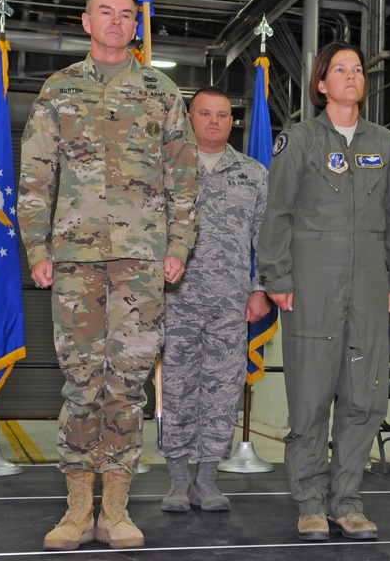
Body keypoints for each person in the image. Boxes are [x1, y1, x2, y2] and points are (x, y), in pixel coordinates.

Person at [17, 0, 198, 551]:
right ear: (87, 21)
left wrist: (178, 247)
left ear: (136, 25)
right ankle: (76, 511)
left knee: (127, 385)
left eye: (126, 14)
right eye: (106, 12)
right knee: (80, 383)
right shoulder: (58, 90)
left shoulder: (161, 91)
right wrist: (37, 249)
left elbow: (184, 178)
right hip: (74, 262)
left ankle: (115, 511)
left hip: (142, 262)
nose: (117, 22)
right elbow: (36, 176)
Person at [256, 41, 390, 542]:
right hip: (312, 285)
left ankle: (346, 500)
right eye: (340, 70)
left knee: (364, 399)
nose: (352, 76)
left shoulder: (386, 145)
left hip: (369, 286)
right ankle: (309, 501)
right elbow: (277, 213)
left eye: (358, 69)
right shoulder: (299, 141)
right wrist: (277, 277)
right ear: (321, 84)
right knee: (310, 399)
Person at [160, 86, 270, 513]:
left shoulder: (254, 173)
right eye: (205, 114)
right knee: (178, 387)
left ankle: (207, 481)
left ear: (231, 121)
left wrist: (260, 288)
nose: (214, 122)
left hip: (231, 302)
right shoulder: (169, 167)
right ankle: (176, 480)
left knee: (223, 390)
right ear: (190, 117)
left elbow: (267, 239)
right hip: (176, 298)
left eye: (223, 115)